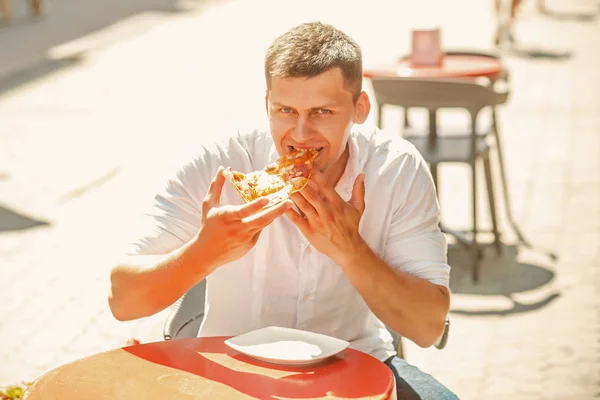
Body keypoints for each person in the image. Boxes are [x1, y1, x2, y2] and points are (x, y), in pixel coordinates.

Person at [108, 21, 457, 399]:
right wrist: (205, 253)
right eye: (286, 110)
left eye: (323, 112)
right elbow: (122, 300)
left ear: (359, 109)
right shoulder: (221, 164)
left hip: (356, 362)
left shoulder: (396, 168)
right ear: (267, 106)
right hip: (228, 369)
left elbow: (428, 327)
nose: (301, 134)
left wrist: (349, 249)